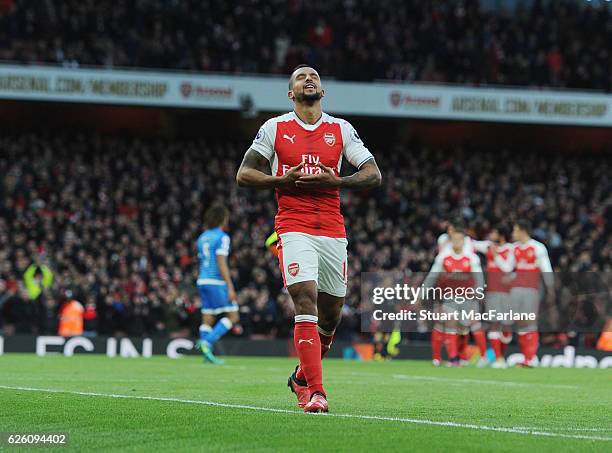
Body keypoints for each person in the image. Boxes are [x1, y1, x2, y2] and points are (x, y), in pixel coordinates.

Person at [236, 64, 382, 413]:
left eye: (314, 76)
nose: (309, 79)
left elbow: (373, 174)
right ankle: (315, 392)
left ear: (322, 91)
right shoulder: (275, 128)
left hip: (333, 231)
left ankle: (302, 376)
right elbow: (244, 174)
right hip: (293, 225)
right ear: (291, 93)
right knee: (305, 300)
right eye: (301, 77)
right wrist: (281, 180)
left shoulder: (340, 129)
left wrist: (338, 182)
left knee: (330, 318)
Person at [494, 220, 555, 367]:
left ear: (523, 231)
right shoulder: (514, 248)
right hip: (514, 290)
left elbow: (546, 270)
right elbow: (508, 267)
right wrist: (496, 255)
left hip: (531, 291)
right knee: (508, 322)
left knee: (527, 323)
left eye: (515, 230)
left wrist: (550, 288)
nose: (513, 234)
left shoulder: (537, 248)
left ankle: (529, 358)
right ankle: (506, 354)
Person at [423, 228, 486, 367]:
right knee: (450, 325)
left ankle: (473, 356)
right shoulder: (443, 257)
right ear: (451, 241)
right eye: (454, 239)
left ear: (464, 241)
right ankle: (453, 358)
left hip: (468, 298)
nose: (457, 242)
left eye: (460, 239)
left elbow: (479, 279)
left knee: (465, 328)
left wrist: (479, 292)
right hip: (449, 296)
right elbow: (432, 276)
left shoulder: (471, 258)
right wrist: (423, 292)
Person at [196, 204, 239, 365]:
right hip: (216, 281)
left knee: (207, 318)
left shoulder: (202, 237)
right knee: (233, 316)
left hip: (202, 280)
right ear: (223, 219)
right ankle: (207, 342)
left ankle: (206, 353)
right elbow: (221, 263)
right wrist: (230, 286)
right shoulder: (222, 237)